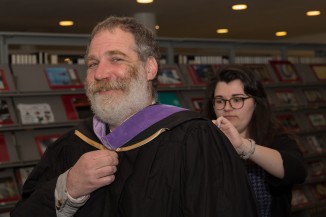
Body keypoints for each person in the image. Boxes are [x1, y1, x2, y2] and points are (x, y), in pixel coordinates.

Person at [11, 17, 259, 217]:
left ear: (149, 68)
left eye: (116, 59)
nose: (100, 73)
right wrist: (69, 188)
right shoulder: (71, 146)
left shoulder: (195, 140)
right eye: (92, 63)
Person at [202, 65, 307, 217]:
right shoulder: (202, 140)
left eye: (237, 99)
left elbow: (297, 171)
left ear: (256, 103)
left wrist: (243, 146)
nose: (227, 108)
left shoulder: (275, 138)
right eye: (220, 101)